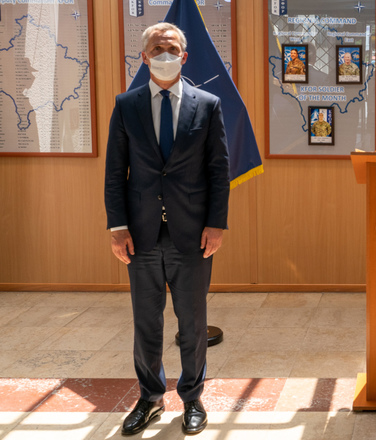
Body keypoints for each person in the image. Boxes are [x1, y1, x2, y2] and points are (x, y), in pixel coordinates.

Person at [104, 22, 230, 436]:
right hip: (139, 235)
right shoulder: (126, 105)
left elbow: (218, 171)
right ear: (144, 56)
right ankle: (150, 397)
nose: (164, 53)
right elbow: (114, 173)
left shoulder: (208, 104)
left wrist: (216, 224)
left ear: (184, 56)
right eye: (157, 48)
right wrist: (117, 227)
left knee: (192, 322)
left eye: (172, 48)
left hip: (192, 234)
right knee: (146, 322)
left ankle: (192, 399)